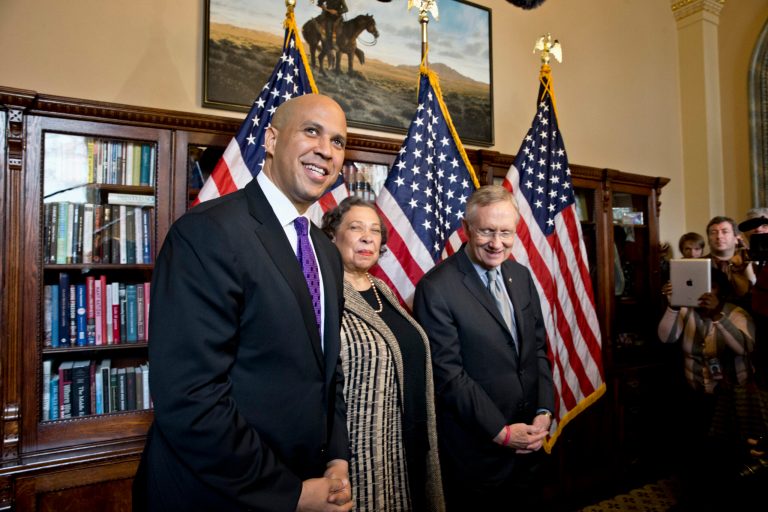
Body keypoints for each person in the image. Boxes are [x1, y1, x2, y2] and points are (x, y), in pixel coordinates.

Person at [132, 94, 353, 512]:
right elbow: (190, 396)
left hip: (308, 479)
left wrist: (337, 458)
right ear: (270, 139)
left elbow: (328, 369)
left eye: (338, 141)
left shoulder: (324, 251)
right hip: (216, 494)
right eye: (311, 131)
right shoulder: (207, 233)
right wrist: (289, 494)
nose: (326, 149)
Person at [413, 185, 555, 510]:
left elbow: (536, 350)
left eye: (506, 232)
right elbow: (449, 375)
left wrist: (544, 411)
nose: (496, 243)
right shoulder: (435, 288)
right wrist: (502, 432)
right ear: (466, 229)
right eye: (487, 231)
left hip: (531, 446)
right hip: (478, 455)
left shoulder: (520, 276)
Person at [320, 196, 444, 512]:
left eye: (375, 230)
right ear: (333, 234)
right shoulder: (321, 293)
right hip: (361, 456)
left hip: (409, 443)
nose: (367, 237)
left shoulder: (381, 289)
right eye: (356, 227)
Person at [658, 267, 755, 508]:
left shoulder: (736, 313)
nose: (704, 293)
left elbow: (744, 348)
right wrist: (672, 306)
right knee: (698, 454)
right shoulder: (687, 312)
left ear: (721, 291)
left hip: (732, 400)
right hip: (696, 395)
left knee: (728, 458)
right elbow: (666, 338)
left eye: (711, 287)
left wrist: (717, 316)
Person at [704, 215, 756, 309]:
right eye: (713, 232)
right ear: (708, 239)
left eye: (725, 232)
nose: (719, 236)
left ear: (737, 239)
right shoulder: (700, 264)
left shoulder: (750, 263)